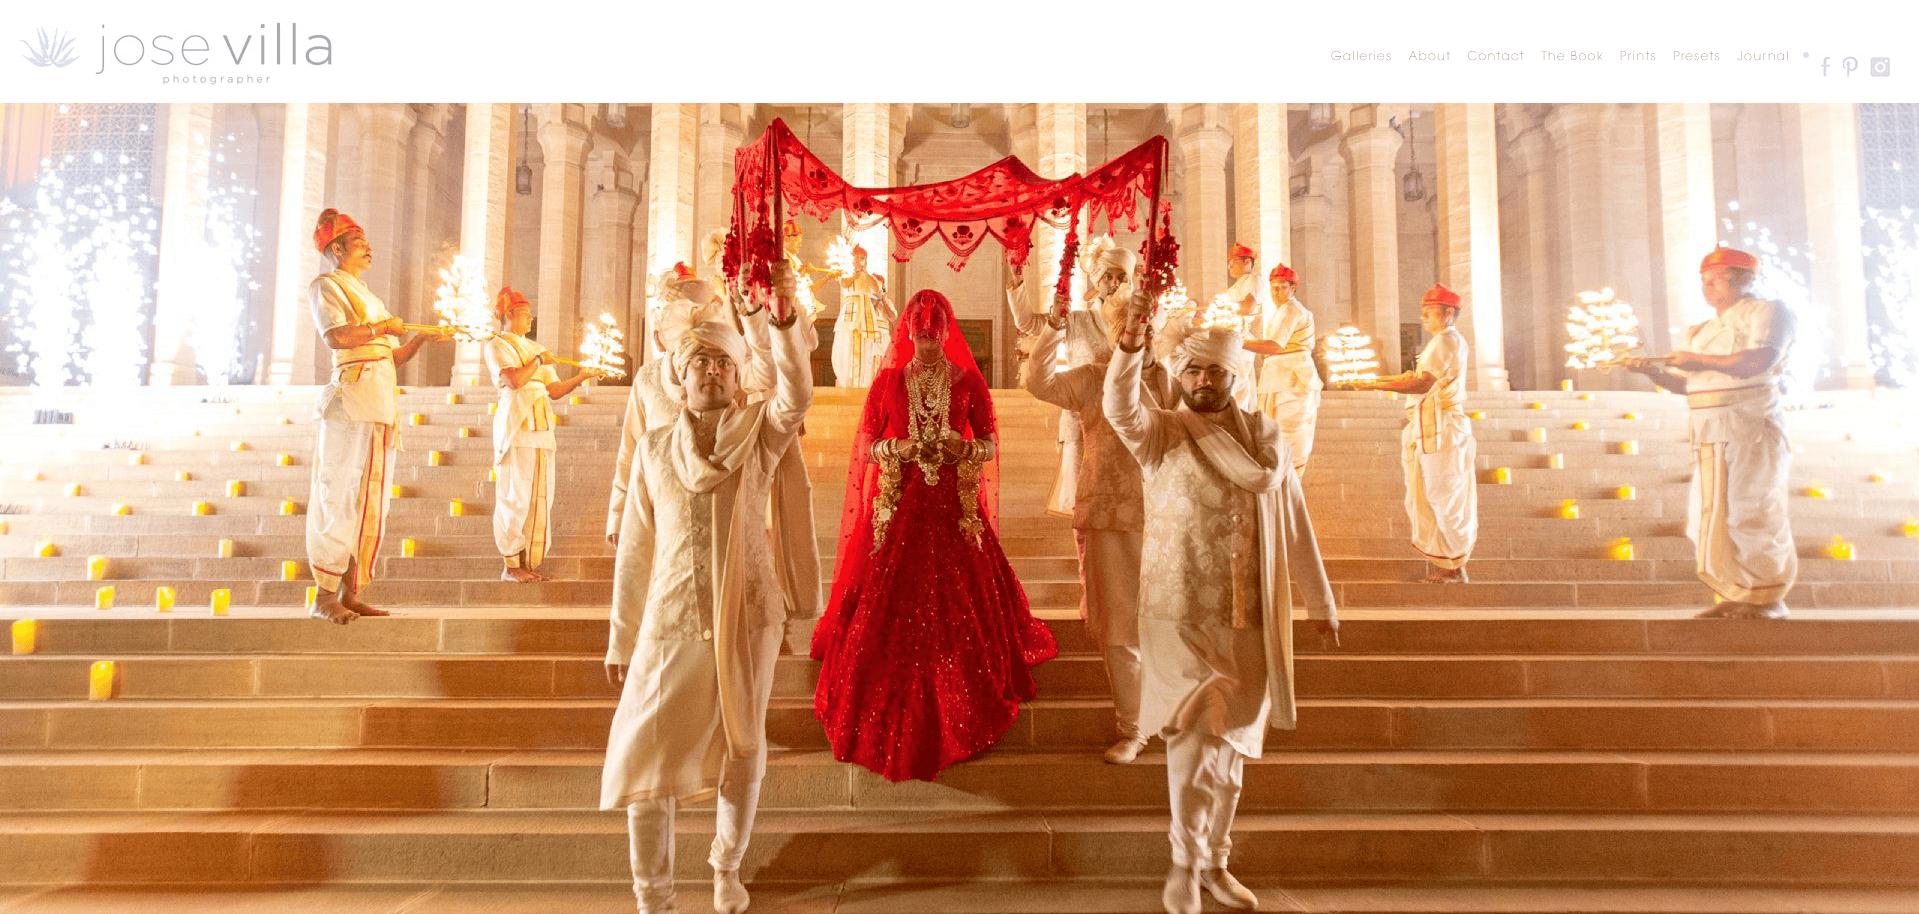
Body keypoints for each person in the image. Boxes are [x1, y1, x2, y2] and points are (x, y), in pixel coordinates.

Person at [1103, 294, 1338, 914]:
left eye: (1214, 372)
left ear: (1236, 377)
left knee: (1231, 746)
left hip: (1251, 612)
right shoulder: (1162, 432)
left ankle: (1215, 861)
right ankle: (1183, 864)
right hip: (1177, 611)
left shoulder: (1265, 439)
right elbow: (1119, 407)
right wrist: (1129, 347)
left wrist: (1320, 602)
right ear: (1179, 376)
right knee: (1190, 736)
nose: (1202, 382)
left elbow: (1294, 518)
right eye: (1192, 371)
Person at [600, 262, 816, 914]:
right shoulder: (654, 450)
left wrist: (777, 321)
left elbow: (795, 395)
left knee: (741, 744)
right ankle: (653, 897)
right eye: (700, 364)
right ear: (679, 375)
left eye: (723, 364)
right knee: (644, 762)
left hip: (749, 610)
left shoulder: (760, 437)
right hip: (669, 615)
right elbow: (636, 548)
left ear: (734, 375)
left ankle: (726, 867)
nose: (712, 372)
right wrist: (621, 637)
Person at [810, 289, 1059, 782]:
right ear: (909, 333)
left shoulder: (968, 381)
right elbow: (868, 444)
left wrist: (962, 447)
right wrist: (897, 448)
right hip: (899, 506)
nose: (925, 344)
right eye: (919, 336)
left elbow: (989, 445)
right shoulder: (886, 382)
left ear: (946, 334)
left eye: (933, 336)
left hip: (952, 510)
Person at [1022, 258, 1173, 765]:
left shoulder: (1175, 382)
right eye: (1130, 325)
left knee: (1169, 622)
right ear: (1116, 331)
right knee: (1118, 626)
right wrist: (1052, 329)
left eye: (1145, 325)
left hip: (1167, 519)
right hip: (1108, 515)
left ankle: (1169, 716)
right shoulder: (1091, 378)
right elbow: (1038, 384)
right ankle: (1133, 727)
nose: (1140, 332)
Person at [1627, 246, 1797, 619]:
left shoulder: (1768, 311)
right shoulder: (1700, 331)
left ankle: (1767, 598)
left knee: (1751, 509)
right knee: (1710, 514)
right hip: (1707, 428)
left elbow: (1759, 360)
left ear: (1745, 279)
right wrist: (1652, 371)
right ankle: (1735, 595)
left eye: (1716, 279)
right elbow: (1685, 384)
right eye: (1704, 281)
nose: (1707, 287)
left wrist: (1697, 360)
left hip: (1750, 423)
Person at [305, 208, 448, 624]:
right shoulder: (326, 285)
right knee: (340, 493)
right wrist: (383, 327)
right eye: (360, 240)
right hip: (349, 403)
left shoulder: (369, 295)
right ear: (337, 248)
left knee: (371, 501)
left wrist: (420, 337)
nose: (369, 247)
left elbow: (392, 355)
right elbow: (337, 337)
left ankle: (350, 591)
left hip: (379, 404)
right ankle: (324, 595)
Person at [1342, 282, 1478, 583]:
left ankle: (1455, 566)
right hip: (1429, 427)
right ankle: (1448, 564)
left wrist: (1376, 385)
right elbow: (1414, 377)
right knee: (1430, 495)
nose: (1423, 317)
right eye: (1423, 312)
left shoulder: (1446, 341)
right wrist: (1373, 381)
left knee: (1444, 495)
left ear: (1448, 312)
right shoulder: (1441, 341)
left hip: (1442, 429)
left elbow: (1422, 384)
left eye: (1430, 312)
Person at [485, 286, 596, 583]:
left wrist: (582, 376)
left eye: (531, 314)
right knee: (515, 497)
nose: (530, 319)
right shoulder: (497, 344)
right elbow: (512, 381)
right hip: (517, 428)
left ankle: (529, 562)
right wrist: (537, 362)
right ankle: (510, 564)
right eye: (524, 314)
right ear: (508, 315)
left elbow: (554, 391)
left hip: (542, 431)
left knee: (539, 500)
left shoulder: (537, 349)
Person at [1241, 264, 1323, 474]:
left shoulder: (1290, 309)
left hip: (1292, 379)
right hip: (1279, 378)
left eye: (1282, 287)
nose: (1276, 292)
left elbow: (1273, 346)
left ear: (1293, 288)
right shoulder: (1283, 310)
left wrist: (1238, 341)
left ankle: (1288, 488)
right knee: (1275, 435)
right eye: (1273, 287)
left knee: (1289, 435)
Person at [830, 244, 895, 387]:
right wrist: (855, 273)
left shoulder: (868, 276)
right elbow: (845, 283)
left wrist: (864, 272)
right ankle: (848, 381)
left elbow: (878, 289)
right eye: (856, 257)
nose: (859, 260)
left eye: (862, 258)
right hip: (851, 310)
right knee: (847, 343)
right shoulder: (846, 273)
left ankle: (863, 383)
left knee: (867, 347)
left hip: (866, 312)